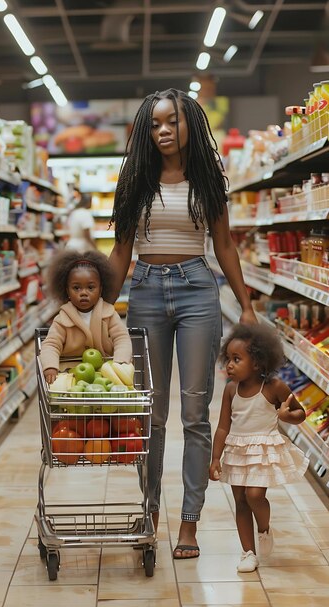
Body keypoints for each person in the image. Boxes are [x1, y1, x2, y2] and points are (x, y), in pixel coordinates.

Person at [108, 88, 257, 560]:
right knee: (151, 413)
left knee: (196, 414)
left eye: (172, 121)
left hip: (197, 289)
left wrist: (246, 305)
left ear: (190, 122)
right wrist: (94, 310)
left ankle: (188, 523)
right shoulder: (135, 179)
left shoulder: (208, 178)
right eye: (154, 124)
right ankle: (150, 512)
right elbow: (121, 251)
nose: (163, 130)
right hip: (147, 290)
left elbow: (225, 244)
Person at [210, 323, 309, 572]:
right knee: (240, 501)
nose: (229, 365)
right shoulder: (231, 390)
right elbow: (223, 427)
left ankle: (264, 528)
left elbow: (300, 412)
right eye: (228, 358)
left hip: (262, 450)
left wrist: (287, 416)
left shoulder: (274, 387)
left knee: (254, 495)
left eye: (236, 359)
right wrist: (215, 458)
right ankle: (248, 553)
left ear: (257, 362)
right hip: (237, 451)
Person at [40, 249, 132, 384]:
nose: (83, 293)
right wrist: (50, 366)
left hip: (105, 373)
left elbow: (121, 338)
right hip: (71, 374)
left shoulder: (109, 314)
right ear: (67, 290)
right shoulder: (62, 319)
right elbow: (51, 344)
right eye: (76, 288)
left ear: (100, 289)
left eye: (90, 287)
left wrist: (120, 363)